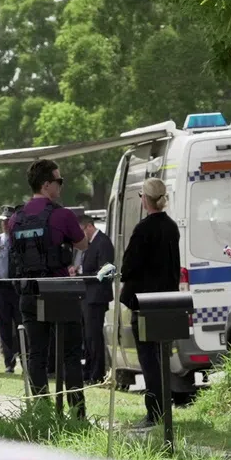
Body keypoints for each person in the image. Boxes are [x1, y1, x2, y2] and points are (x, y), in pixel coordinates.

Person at [8, 160, 88, 416]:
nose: (61, 185)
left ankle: (41, 411)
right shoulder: (62, 214)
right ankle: (76, 413)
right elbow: (83, 244)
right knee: (71, 355)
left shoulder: (15, 219)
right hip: (59, 291)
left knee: (36, 354)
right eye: (59, 181)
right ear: (46, 184)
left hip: (28, 291)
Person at [119, 177, 181, 428]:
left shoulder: (143, 229)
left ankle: (154, 412)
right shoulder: (171, 227)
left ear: (145, 199)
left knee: (148, 360)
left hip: (144, 303)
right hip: (167, 302)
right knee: (161, 358)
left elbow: (129, 266)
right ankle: (166, 409)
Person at [78, 211, 115, 385]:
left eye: (82, 230)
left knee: (94, 336)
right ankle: (89, 370)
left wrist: (83, 275)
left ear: (90, 226)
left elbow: (106, 270)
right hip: (88, 296)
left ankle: (97, 373)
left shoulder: (103, 242)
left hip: (97, 296)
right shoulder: (91, 243)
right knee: (88, 336)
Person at [0, 205, 22, 373]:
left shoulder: (22, 241)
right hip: (0, 287)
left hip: (18, 288)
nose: (5, 224)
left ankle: (25, 359)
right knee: (3, 326)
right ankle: (9, 362)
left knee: (22, 325)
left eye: (8, 221)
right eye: (2, 221)